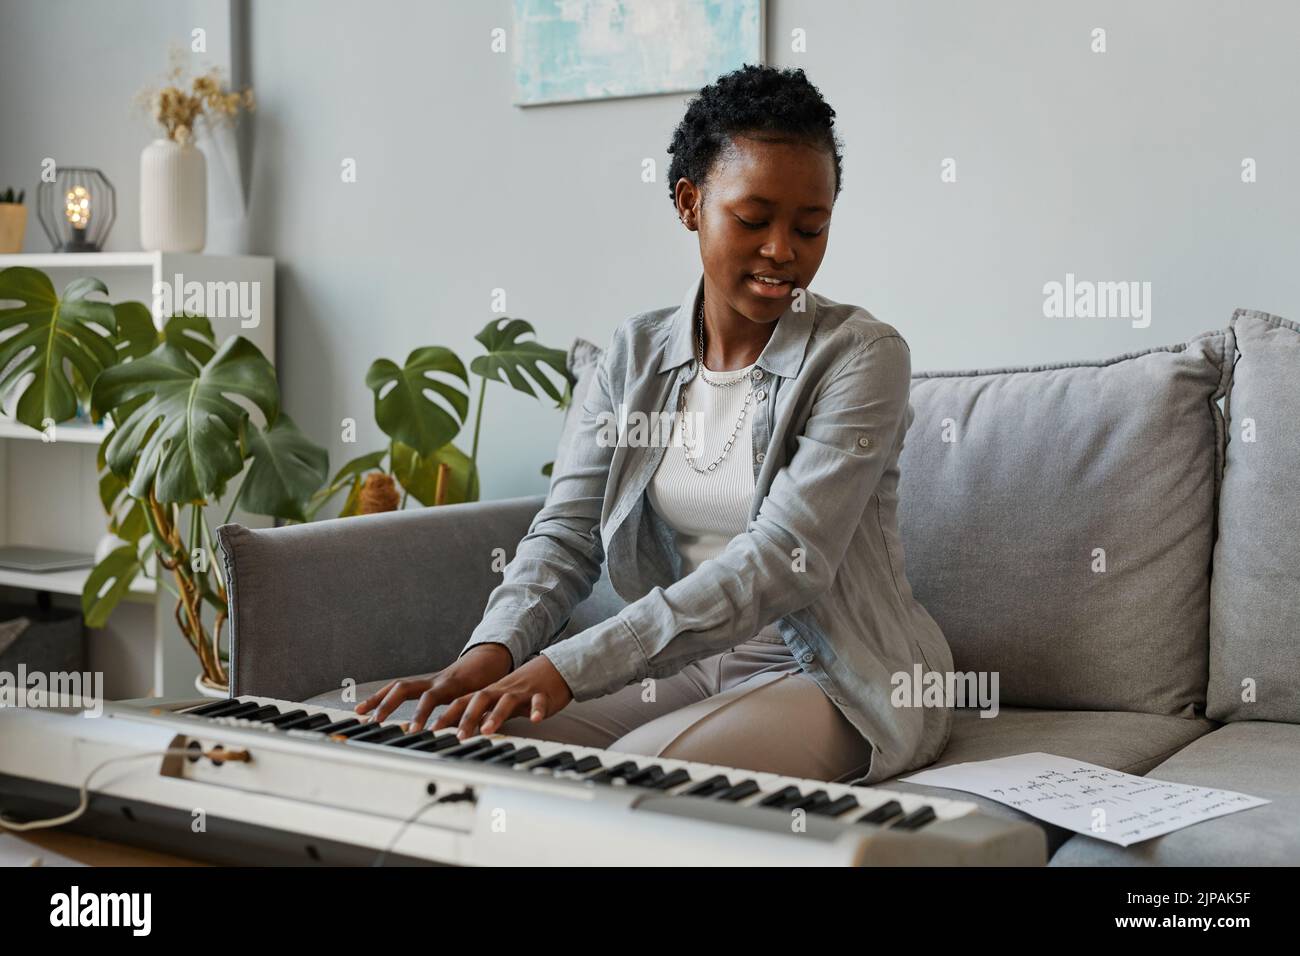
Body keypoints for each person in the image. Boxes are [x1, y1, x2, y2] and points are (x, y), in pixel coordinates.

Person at [356, 65, 953, 785]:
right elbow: (568, 534)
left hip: (830, 671)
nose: (784, 251)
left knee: (633, 777)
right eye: (754, 219)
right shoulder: (633, 356)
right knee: (461, 739)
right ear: (689, 202)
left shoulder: (862, 356)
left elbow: (783, 560)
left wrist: (572, 666)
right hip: (684, 664)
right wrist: (493, 654)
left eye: (810, 226)